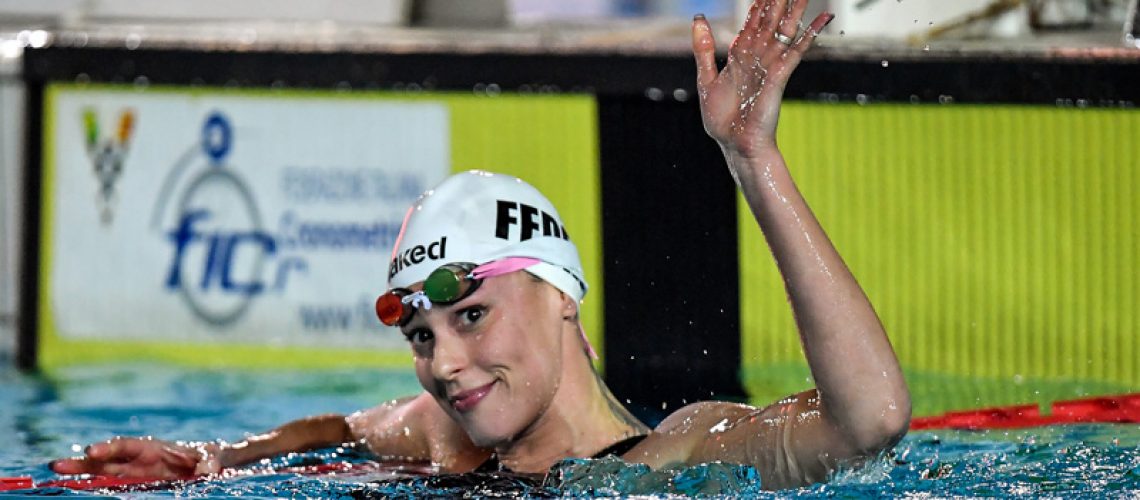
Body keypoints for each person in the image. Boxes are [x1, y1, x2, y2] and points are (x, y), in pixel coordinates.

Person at [51, 0, 910, 490]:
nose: (446, 364)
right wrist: (210, 459)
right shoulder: (446, 435)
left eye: (471, 316)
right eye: (422, 336)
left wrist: (751, 158)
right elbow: (338, 427)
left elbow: (868, 419)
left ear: (562, 293)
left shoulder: (673, 456)